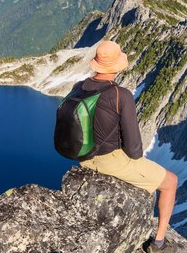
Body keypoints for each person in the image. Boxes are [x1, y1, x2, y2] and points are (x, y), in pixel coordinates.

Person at [76, 40, 178, 253]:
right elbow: (134, 150)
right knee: (170, 182)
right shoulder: (120, 94)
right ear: (116, 67)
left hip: (84, 157)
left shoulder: (80, 86)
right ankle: (158, 244)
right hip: (109, 161)